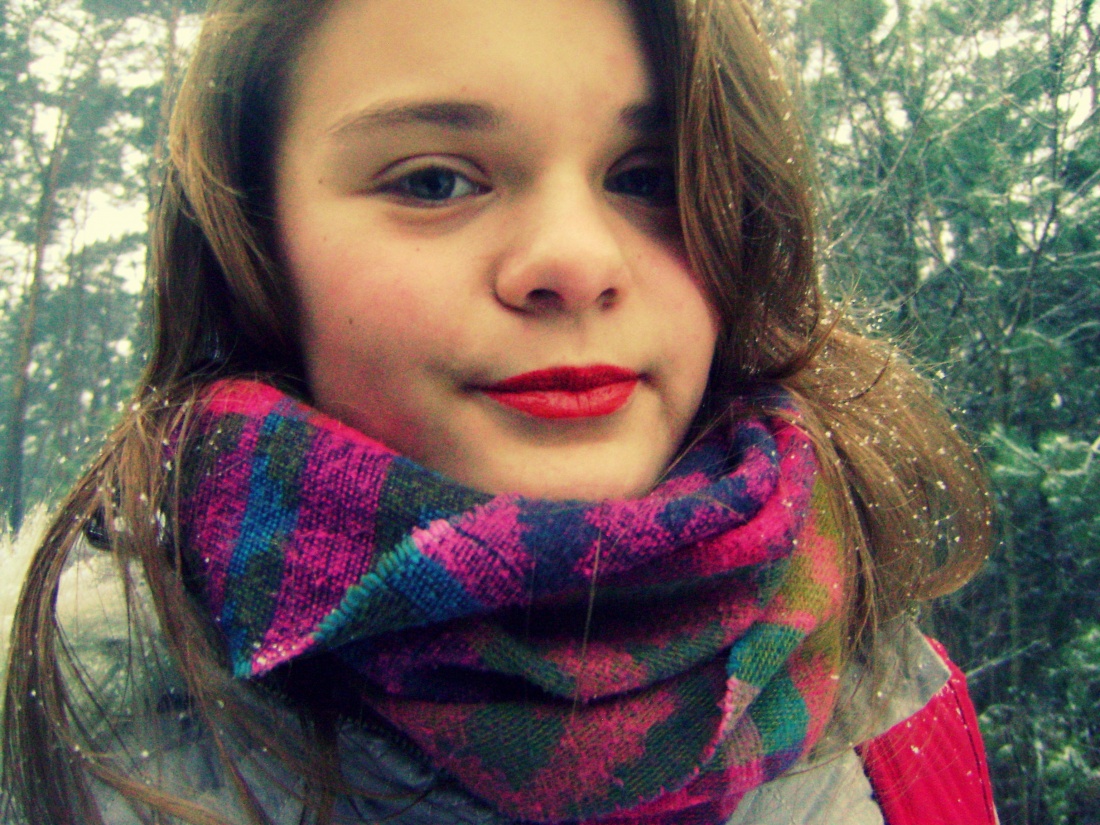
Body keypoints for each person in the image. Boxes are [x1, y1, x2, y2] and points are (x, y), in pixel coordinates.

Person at [1, 0, 999, 823]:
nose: (574, 261)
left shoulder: (895, 709)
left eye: (647, 178)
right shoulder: (59, 738)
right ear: (256, 250)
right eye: (434, 181)